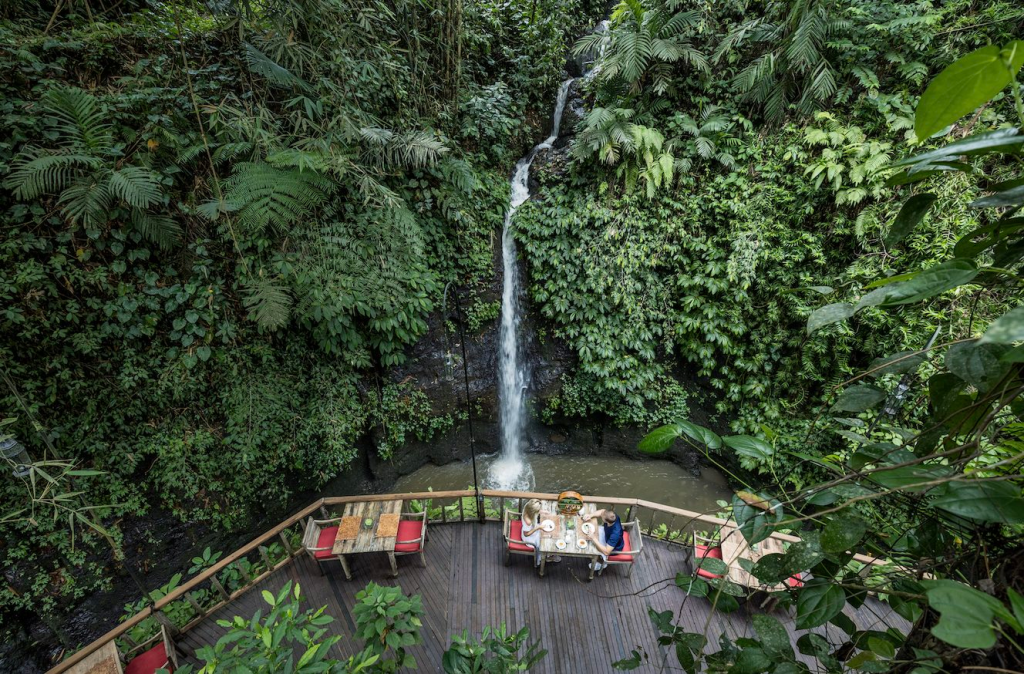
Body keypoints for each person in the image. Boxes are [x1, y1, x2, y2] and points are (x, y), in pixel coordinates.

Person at [520, 499, 560, 567]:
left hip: (533, 528)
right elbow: (526, 534)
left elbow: (535, 511)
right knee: (544, 542)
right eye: (538, 510)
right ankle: (545, 557)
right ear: (533, 512)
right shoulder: (528, 521)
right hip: (530, 538)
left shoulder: (527, 505)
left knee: (546, 533)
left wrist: (544, 512)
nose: (539, 511)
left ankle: (549, 554)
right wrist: (537, 527)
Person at [582, 507, 624, 572]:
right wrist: (590, 515)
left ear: (606, 521)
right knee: (592, 533)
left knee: (595, 546)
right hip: (606, 535)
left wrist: (593, 538)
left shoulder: (615, 534)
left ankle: (600, 562)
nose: (601, 516)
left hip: (612, 547)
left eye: (602, 517)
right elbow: (602, 511)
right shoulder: (612, 516)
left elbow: (607, 551)